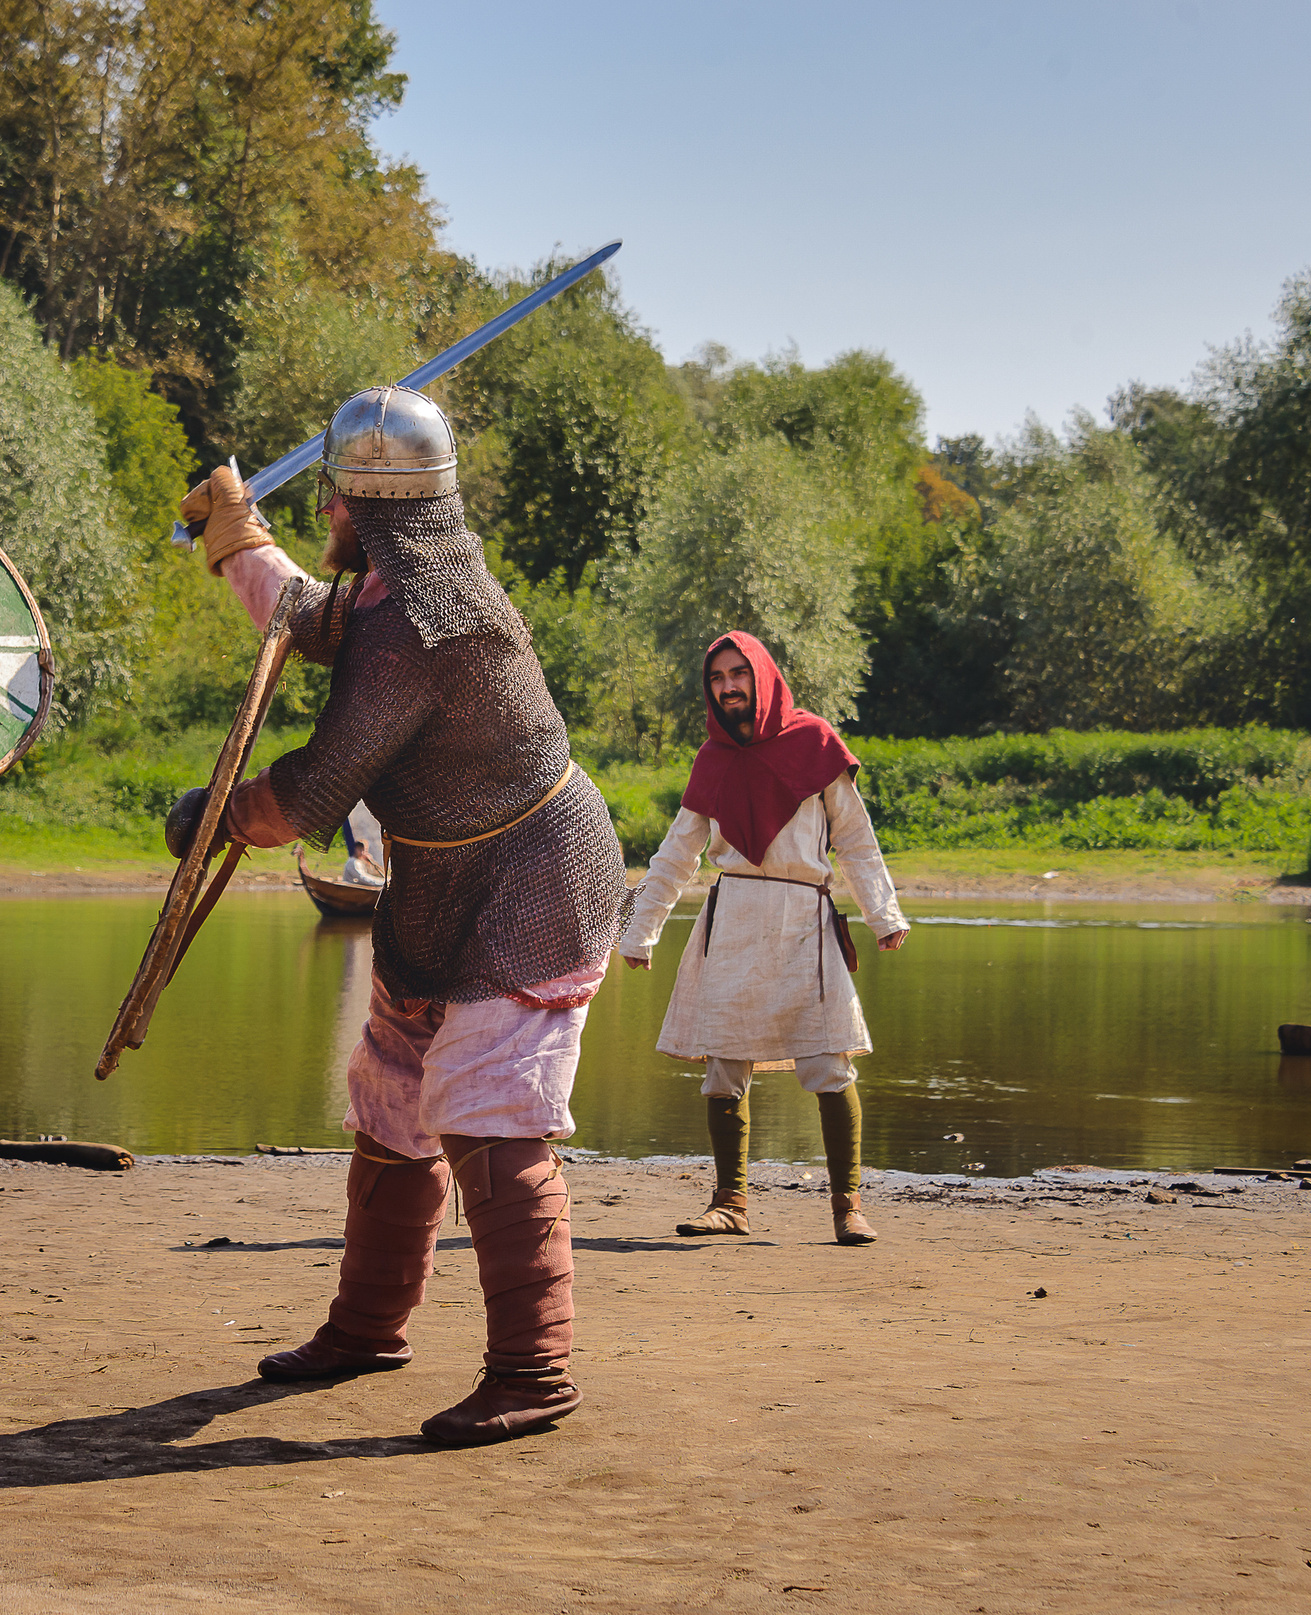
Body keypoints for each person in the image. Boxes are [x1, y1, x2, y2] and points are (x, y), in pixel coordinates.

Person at [169, 386, 626, 1446]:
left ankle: (533, 1368)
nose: (328, 512)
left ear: (366, 504)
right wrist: (236, 532)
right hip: (444, 876)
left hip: (535, 881)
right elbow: (306, 615)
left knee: (488, 1109)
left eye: (335, 499)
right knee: (390, 1098)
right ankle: (368, 1325)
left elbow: (315, 790)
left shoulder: (421, 619)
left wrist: (219, 813)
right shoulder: (400, 584)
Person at [617, 631, 911, 1246]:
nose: (728, 686)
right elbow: (677, 853)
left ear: (762, 676)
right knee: (725, 1066)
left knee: (829, 1062)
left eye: (737, 674)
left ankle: (848, 1207)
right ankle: (730, 1204)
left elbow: (855, 839)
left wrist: (884, 916)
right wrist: (641, 931)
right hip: (734, 920)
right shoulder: (713, 758)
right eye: (717, 677)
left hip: (804, 919)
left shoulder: (815, 743)